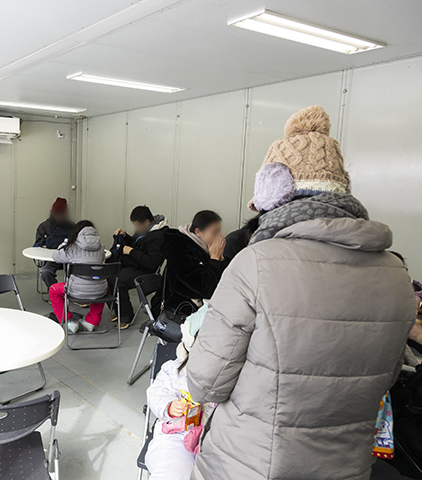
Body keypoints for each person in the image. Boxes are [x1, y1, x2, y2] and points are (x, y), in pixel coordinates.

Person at [186, 105, 417, 480]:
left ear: (273, 194)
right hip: (347, 466)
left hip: (249, 464)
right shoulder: (396, 274)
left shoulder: (255, 264)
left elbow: (205, 382)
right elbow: (385, 377)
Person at [146, 307, 212, 480]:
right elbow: (156, 392)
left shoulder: (232, 376)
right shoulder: (173, 369)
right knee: (170, 470)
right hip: (176, 434)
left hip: (213, 441)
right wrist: (168, 406)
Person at [111, 206, 168, 329]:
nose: (136, 228)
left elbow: (152, 262)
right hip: (135, 265)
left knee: (118, 280)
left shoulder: (159, 236)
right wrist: (125, 236)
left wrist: (131, 252)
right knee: (109, 273)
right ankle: (118, 309)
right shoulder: (145, 230)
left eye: (137, 225)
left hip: (146, 272)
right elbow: (136, 243)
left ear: (147, 221)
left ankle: (125, 316)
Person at [160, 210, 225, 314]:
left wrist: (220, 259)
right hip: (178, 309)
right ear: (198, 232)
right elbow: (205, 290)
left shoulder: (205, 248)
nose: (219, 237)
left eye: (219, 231)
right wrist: (214, 260)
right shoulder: (181, 252)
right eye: (215, 232)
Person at [48, 221, 107, 333]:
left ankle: (69, 321)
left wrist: (61, 248)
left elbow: (56, 257)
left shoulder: (72, 247)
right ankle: (92, 321)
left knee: (53, 290)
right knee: (102, 288)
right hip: (98, 290)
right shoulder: (101, 248)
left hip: (76, 289)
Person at [35, 197, 75, 290]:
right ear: (53, 213)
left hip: (70, 259)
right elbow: (38, 245)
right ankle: (54, 291)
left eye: (62, 213)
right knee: (45, 272)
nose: (59, 216)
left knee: (80, 272)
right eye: (57, 213)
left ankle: (71, 292)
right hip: (52, 259)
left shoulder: (72, 226)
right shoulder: (44, 227)